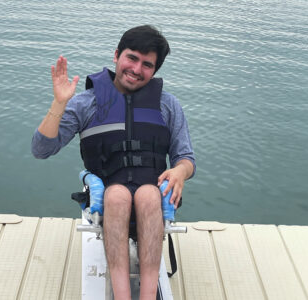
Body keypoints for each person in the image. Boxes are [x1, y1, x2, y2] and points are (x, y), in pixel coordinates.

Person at [31, 25, 195, 300]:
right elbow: (42, 149)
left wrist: (180, 171)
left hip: (152, 190)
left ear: (154, 71)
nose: (136, 68)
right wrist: (59, 104)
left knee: (146, 195)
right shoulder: (85, 103)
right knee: (118, 196)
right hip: (108, 190)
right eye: (131, 58)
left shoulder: (168, 105)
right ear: (117, 55)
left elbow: (185, 157)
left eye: (147, 64)